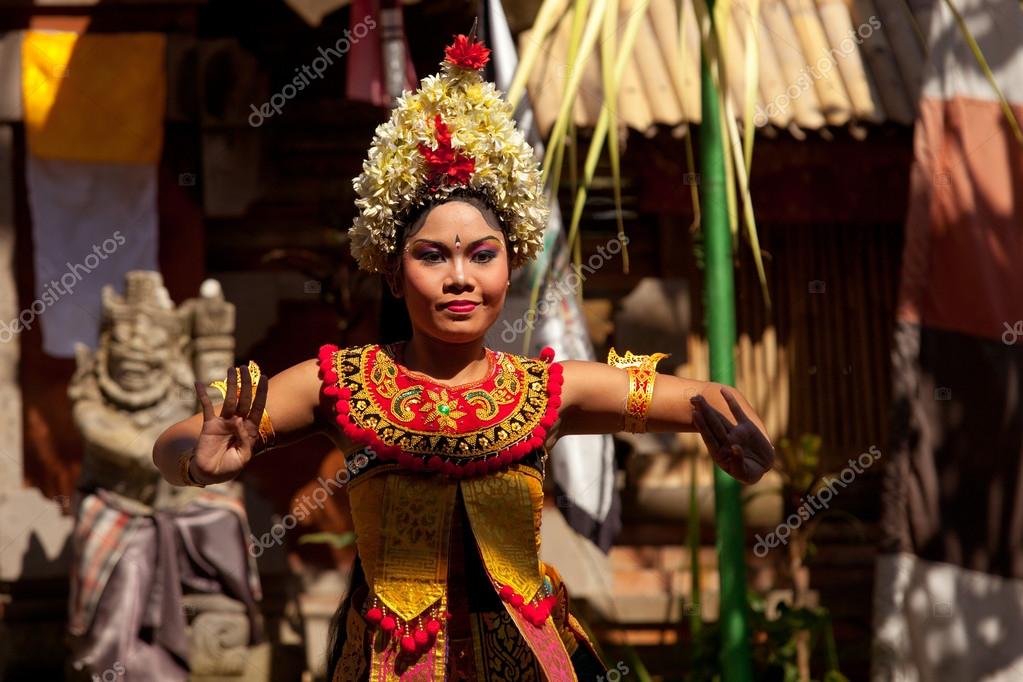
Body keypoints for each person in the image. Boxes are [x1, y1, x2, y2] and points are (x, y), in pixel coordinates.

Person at [153, 30, 775, 681]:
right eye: (431, 256)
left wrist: (746, 437)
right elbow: (173, 443)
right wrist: (197, 464)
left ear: (510, 267)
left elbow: (710, 399)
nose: (460, 278)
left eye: (482, 255)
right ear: (393, 275)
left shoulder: (549, 390)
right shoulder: (338, 382)